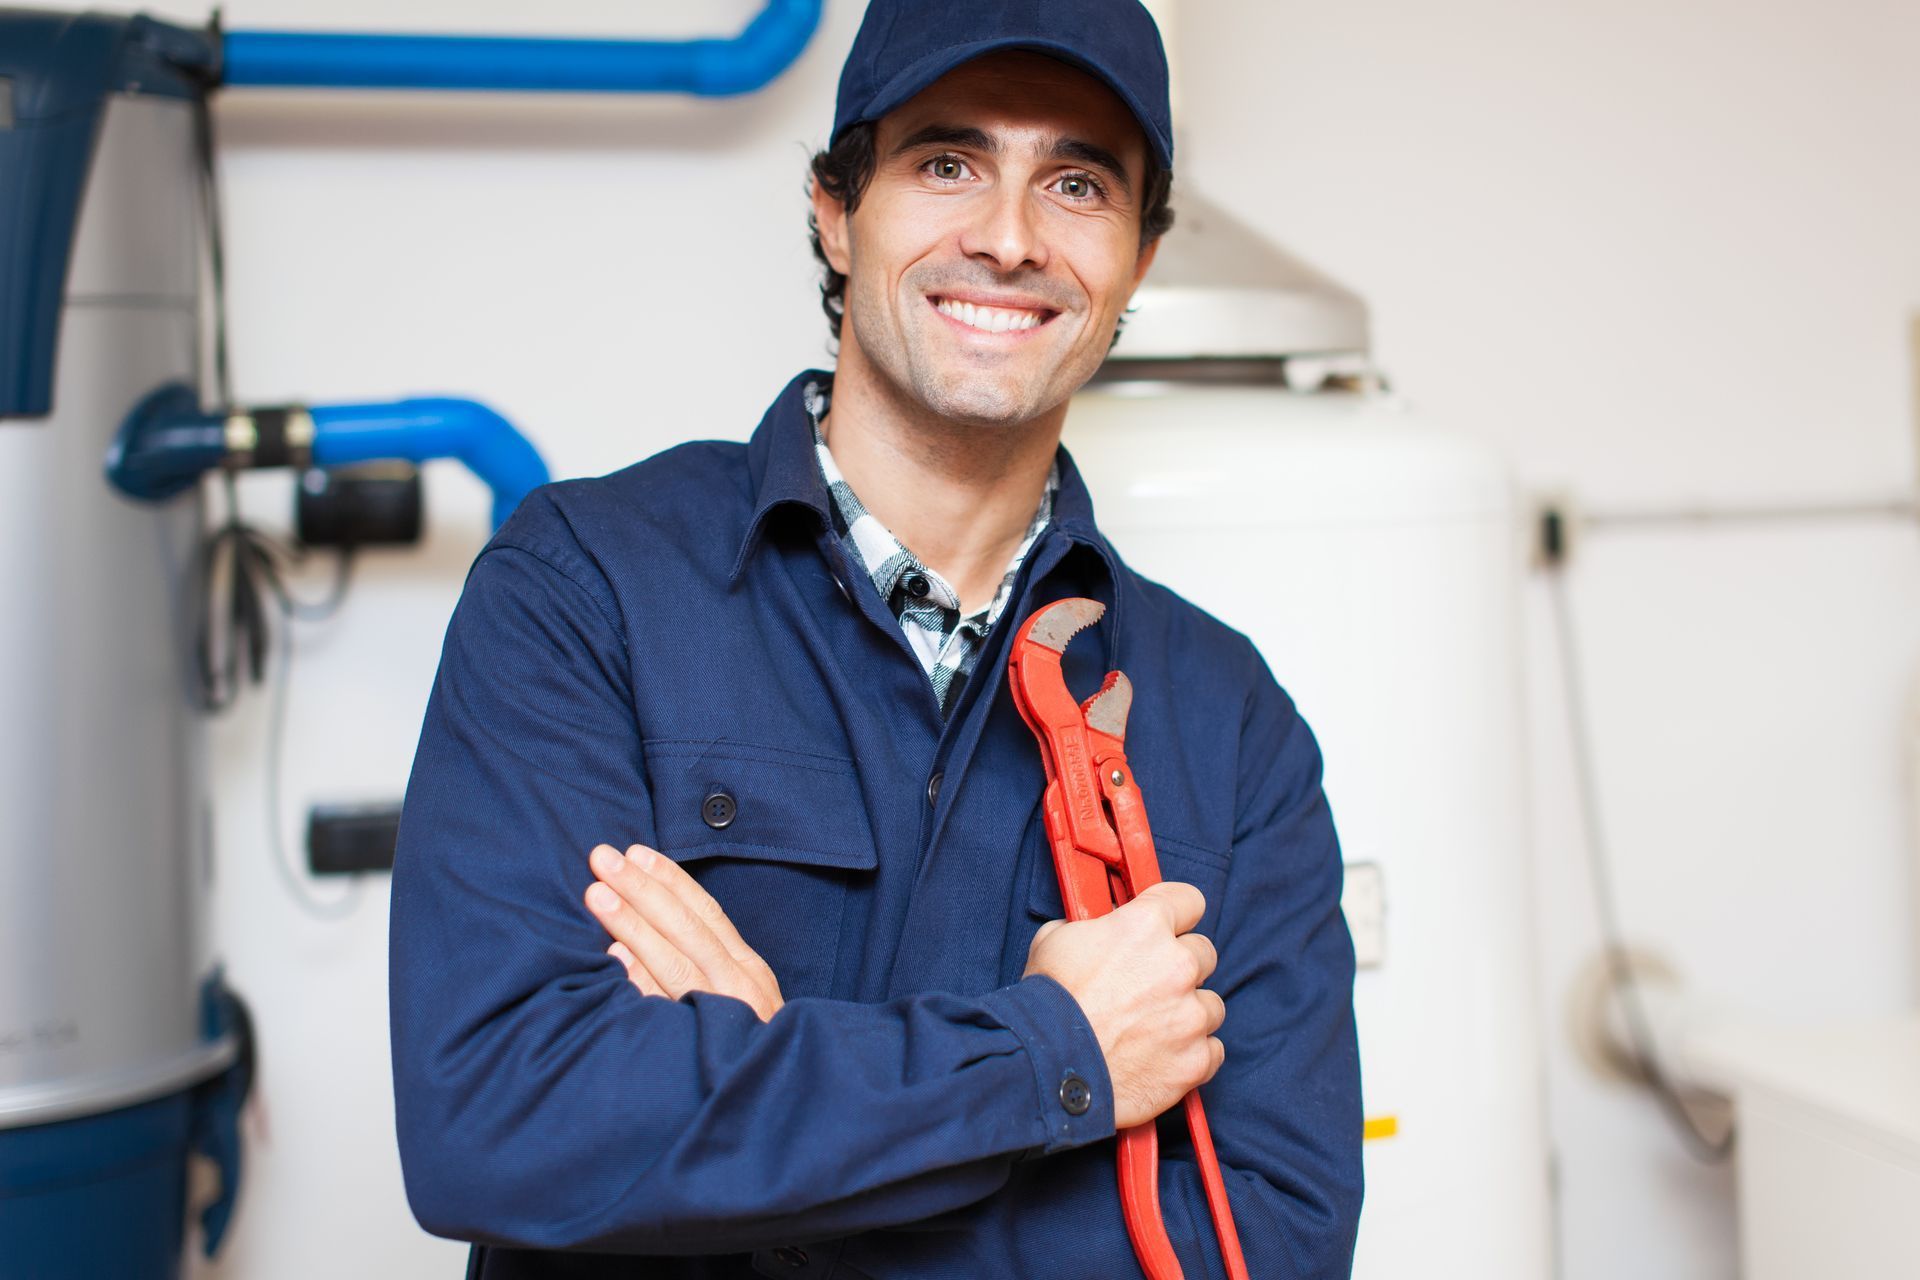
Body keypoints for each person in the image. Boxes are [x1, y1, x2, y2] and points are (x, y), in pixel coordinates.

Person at [388, 2, 1363, 1276]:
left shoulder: (1229, 728)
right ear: (836, 210)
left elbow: (1272, 1242)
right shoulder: (586, 593)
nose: (1009, 237)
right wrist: (1056, 1056)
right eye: (946, 162)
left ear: (1140, 255)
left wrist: (761, 1101)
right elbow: (499, 1120)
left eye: (1076, 182)